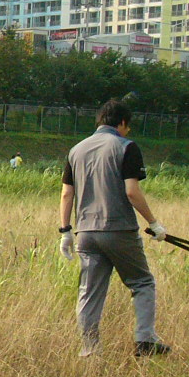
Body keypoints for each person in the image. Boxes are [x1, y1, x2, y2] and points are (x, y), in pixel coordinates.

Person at [60, 98, 169, 357]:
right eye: (127, 126)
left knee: (89, 293)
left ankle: (89, 350)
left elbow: (66, 194)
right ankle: (145, 340)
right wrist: (153, 223)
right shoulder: (126, 146)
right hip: (118, 229)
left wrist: (65, 232)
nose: (127, 130)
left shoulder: (76, 150)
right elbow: (132, 192)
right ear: (122, 123)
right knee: (142, 282)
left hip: (85, 233)